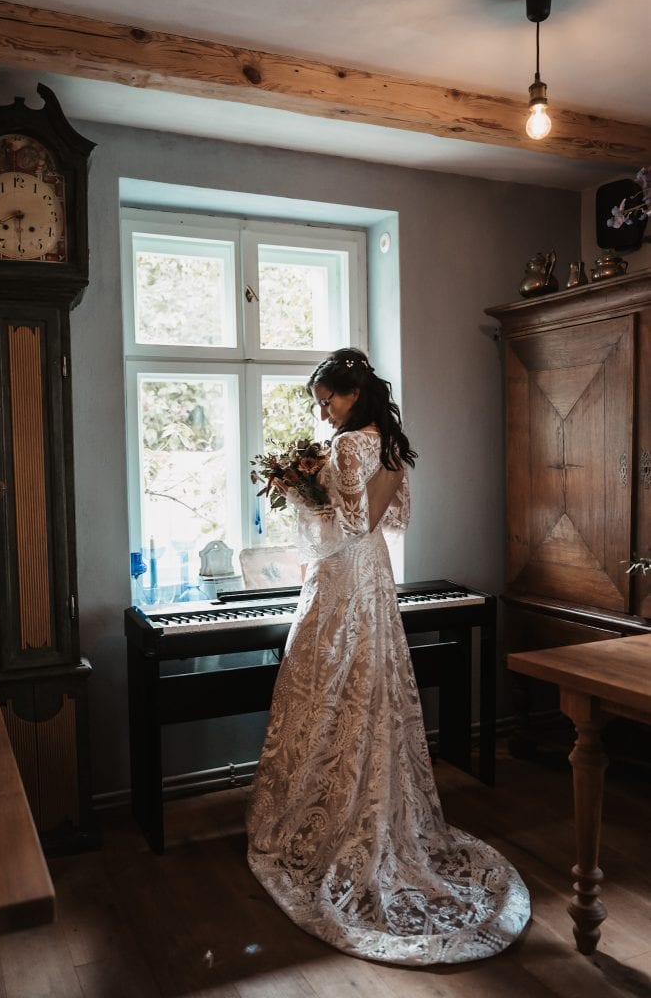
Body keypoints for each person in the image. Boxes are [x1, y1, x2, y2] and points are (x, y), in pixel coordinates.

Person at [246, 347, 530, 965]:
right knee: (366, 684)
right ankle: (368, 801)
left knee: (325, 686)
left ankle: (323, 816)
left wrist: (298, 495)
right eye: (320, 403)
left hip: (342, 577)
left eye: (328, 400)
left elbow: (346, 525)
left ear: (354, 393)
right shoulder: (392, 446)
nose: (324, 412)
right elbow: (383, 520)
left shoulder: (350, 446)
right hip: (374, 577)